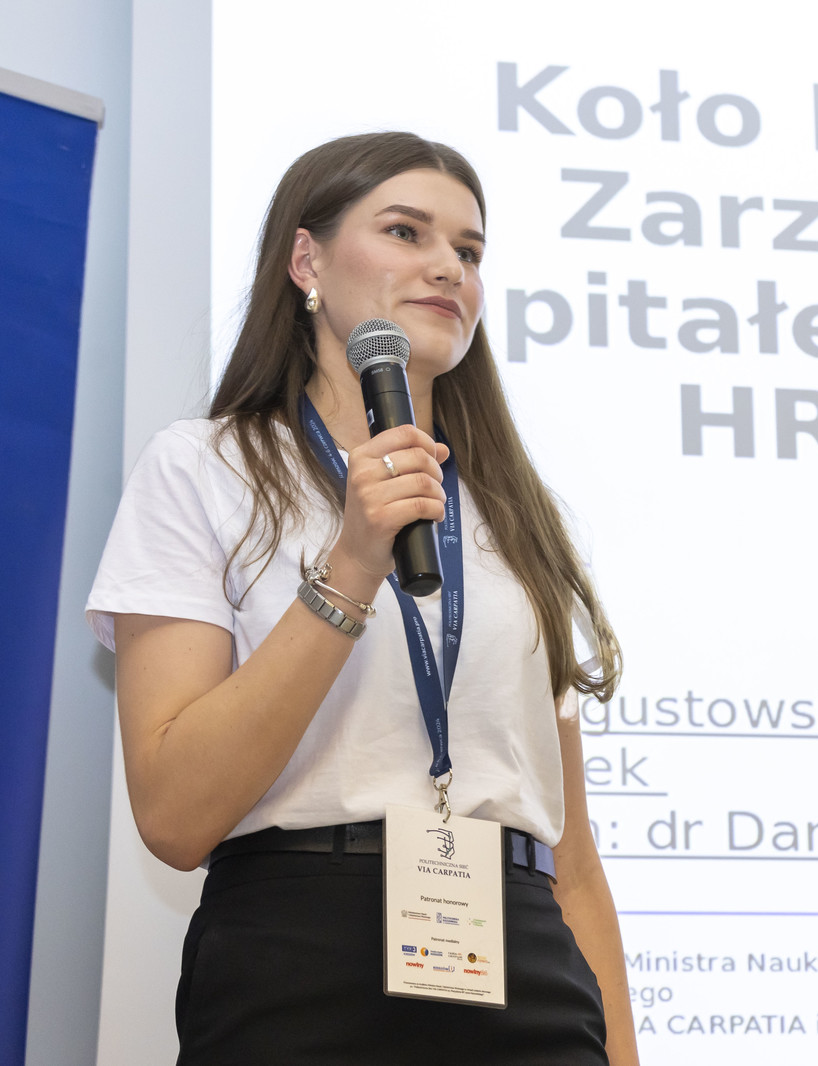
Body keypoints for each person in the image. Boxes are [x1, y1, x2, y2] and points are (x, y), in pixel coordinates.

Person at [87, 132, 638, 1064]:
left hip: (525, 964)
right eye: (406, 232)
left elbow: (574, 858)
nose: (448, 267)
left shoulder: (516, 514)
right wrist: (351, 564)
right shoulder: (205, 468)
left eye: (469, 251)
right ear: (307, 262)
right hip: (298, 961)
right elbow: (175, 816)